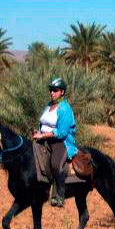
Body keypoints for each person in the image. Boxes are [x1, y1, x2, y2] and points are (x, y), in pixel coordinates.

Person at [32, 77, 77, 208]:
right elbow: (43, 123)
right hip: (43, 138)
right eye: (51, 90)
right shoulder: (49, 105)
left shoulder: (65, 109)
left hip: (59, 142)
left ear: (62, 92)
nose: (52, 93)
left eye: (55, 90)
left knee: (56, 164)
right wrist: (38, 131)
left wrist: (42, 135)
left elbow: (61, 132)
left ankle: (60, 195)